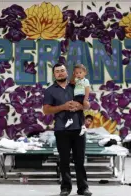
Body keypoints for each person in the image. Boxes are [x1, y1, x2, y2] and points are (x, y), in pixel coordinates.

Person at [43, 63, 92, 196]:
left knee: (80, 160)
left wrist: (81, 107)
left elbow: (87, 105)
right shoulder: (50, 91)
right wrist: (63, 107)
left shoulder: (77, 85)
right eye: (57, 71)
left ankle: (83, 188)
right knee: (64, 160)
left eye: (62, 70)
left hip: (78, 128)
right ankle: (65, 188)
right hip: (61, 129)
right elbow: (46, 110)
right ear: (54, 74)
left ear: (66, 72)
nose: (60, 73)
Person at [64, 64, 90, 136]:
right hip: (76, 97)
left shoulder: (86, 81)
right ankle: (80, 125)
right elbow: (71, 81)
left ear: (85, 73)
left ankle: (73, 121)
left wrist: (85, 100)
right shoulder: (76, 80)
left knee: (75, 109)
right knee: (75, 110)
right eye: (76, 73)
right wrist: (73, 75)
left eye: (80, 72)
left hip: (81, 97)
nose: (78, 74)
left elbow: (87, 90)